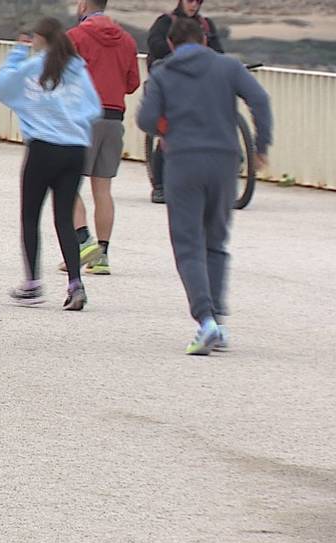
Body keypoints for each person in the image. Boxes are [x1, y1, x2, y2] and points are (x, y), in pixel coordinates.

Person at [137, 18, 271, 355]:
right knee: (216, 240)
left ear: (170, 43)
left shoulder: (164, 73)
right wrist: (261, 146)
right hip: (225, 161)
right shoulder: (228, 67)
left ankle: (205, 320)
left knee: (188, 243)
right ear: (205, 39)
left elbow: (146, 119)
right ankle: (219, 320)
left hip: (183, 161)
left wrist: (167, 128)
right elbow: (260, 100)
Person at [0, 17, 102, 311]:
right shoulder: (78, 69)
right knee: (64, 217)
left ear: (39, 39)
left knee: (30, 215)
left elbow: (0, 86)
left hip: (42, 148)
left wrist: (17, 52)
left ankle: (33, 283)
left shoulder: (32, 67)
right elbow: (94, 108)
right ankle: (75, 283)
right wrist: (69, 119)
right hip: (75, 149)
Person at [65, 0, 139, 276]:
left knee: (67, 184)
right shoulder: (127, 40)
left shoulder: (75, 37)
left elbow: (60, 76)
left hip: (83, 118)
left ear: (83, 4)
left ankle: (84, 240)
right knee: (103, 189)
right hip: (113, 119)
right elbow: (132, 84)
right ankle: (102, 255)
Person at [146, 0, 224, 204]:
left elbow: (218, 52)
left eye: (198, 1)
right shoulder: (165, 22)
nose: (194, 5)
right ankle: (160, 186)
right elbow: (156, 45)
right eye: (190, 0)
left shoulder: (206, 26)